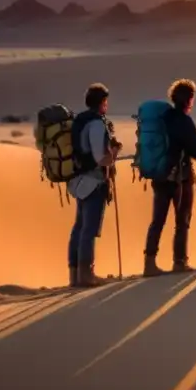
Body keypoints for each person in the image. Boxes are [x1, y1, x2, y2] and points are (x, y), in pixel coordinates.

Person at [143, 79, 196, 277]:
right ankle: (179, 262)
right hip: (180, 177)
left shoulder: (164, 117)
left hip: (160, 175)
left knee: (157, 220)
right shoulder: (184, 121)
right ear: (189, 99)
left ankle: (149, 263)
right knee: (182, 220)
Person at [67, 82, 120, 287]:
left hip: (79, 181)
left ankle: (75, 275)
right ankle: (86, 275)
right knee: (88, 229)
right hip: (93, 181)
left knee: (79, 227)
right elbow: (101, 158)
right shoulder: (96, 123)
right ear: (102, 102)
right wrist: (114, 152)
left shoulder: (80, 120)